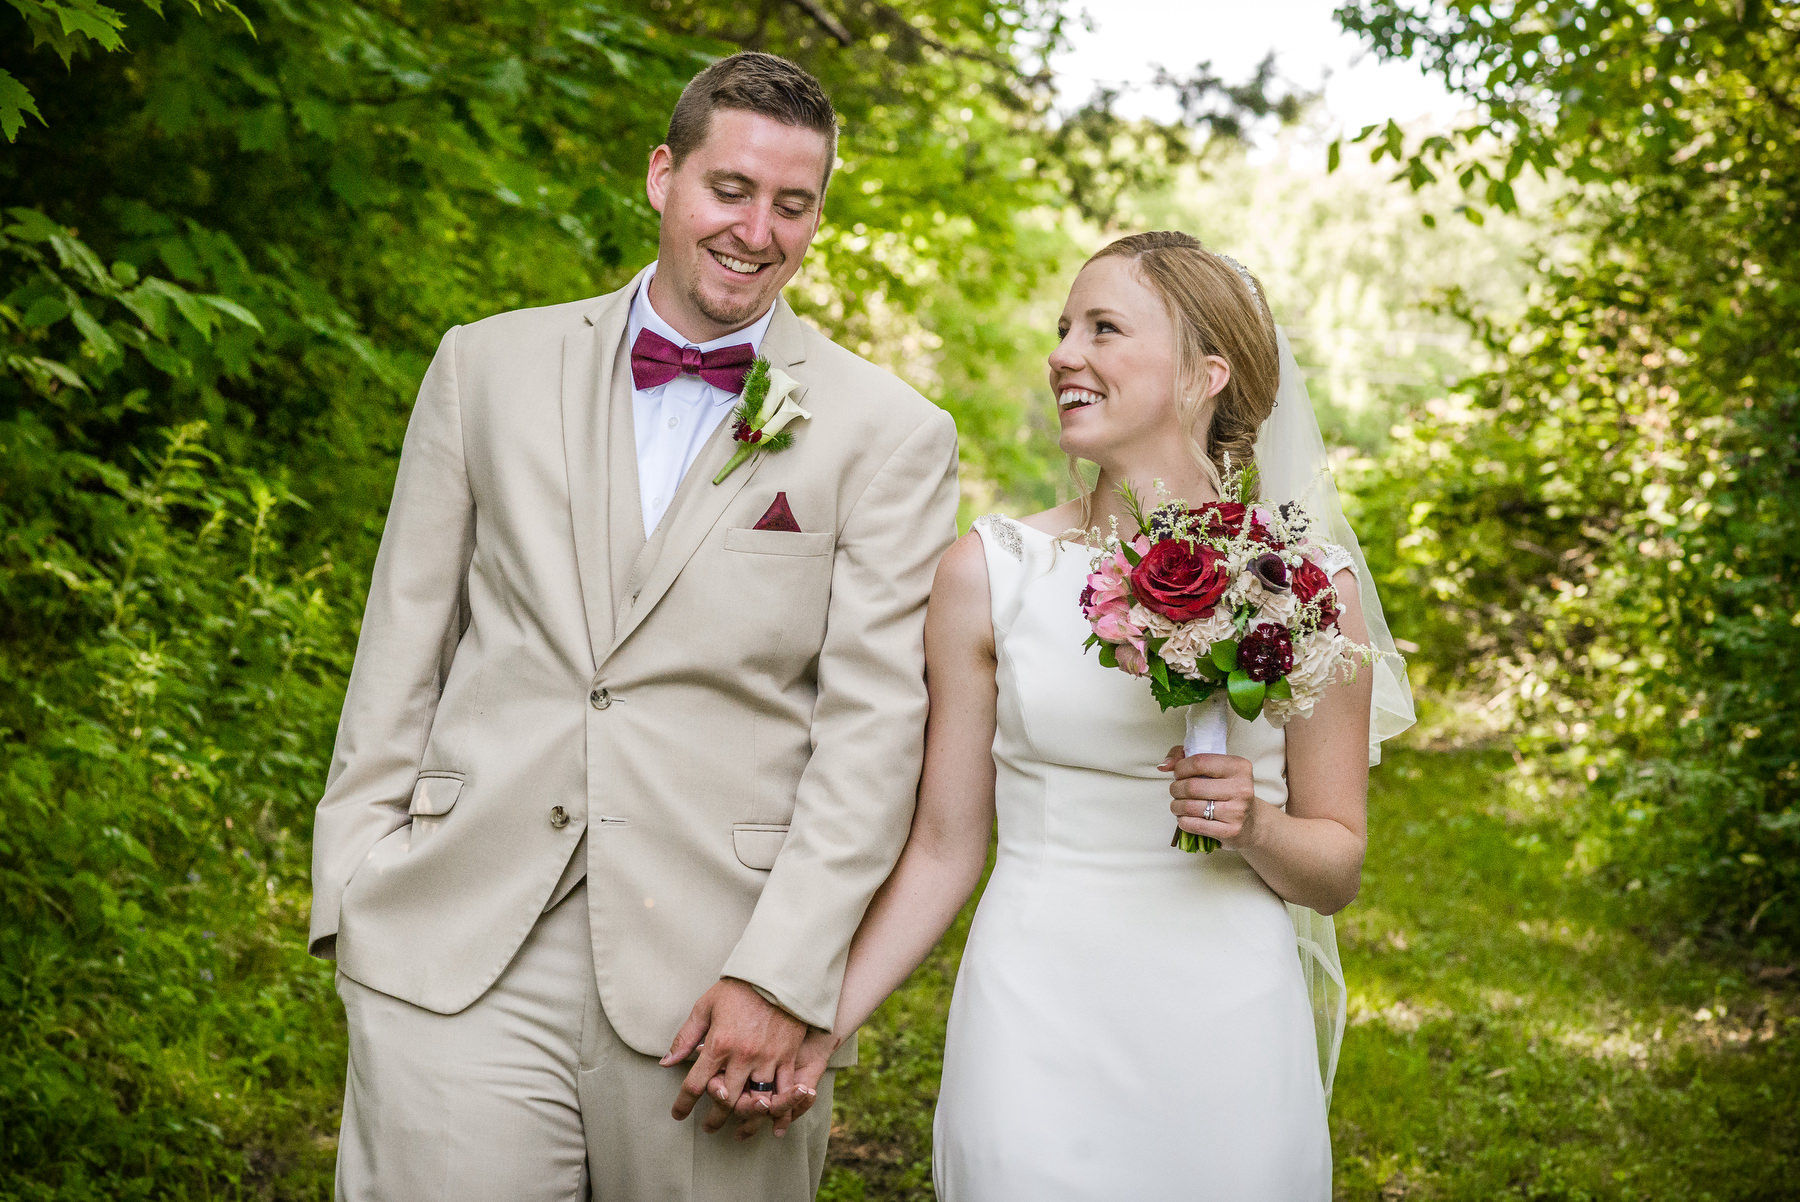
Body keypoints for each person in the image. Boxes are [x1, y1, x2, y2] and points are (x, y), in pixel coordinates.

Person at [306, 51, 960, 1201]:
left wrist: (788, 972)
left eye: (792, 205)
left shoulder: (888, 432)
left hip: (719, 979)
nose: (757, 230)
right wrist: (354, 887)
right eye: (731, 189)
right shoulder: (485, 365)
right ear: (663, 175)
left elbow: (874, 733)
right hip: (456, 939)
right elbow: (402, 643)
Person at [751, 231, 1415, 1195]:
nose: (1065, 353)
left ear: (1203, 376)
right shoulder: (989, 572)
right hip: (1035, 1013)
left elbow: (1337, 868)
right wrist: (822, 1019)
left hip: (1230, 1018)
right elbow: (943, 847)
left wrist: (1257, 824)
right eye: (1065, 328)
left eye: (1104, 328)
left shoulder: (1307, 585)